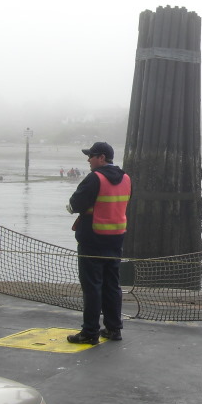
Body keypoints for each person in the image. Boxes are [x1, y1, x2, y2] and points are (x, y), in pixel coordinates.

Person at [66, 142, 131, 344]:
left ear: (101, 158)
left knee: (92, 287)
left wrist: (71, 207)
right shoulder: (127, 178)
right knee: (112, 285)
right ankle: (113, 329)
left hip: (92, 240)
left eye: (91, 156)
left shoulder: (95, 178)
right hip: (116, 239)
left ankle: (90, 332)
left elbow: (75, 204)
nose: (88, 160)